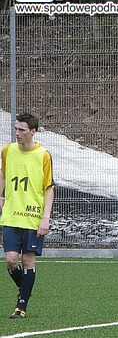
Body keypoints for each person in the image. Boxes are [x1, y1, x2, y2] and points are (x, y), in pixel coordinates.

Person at [1, 112, 55, 319]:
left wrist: (45, 218)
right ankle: (24, 289)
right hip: (11, 215)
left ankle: (21, 306)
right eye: (16, 129)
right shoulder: (7, 151)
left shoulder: (43, 155)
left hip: (33, 216)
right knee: (11, 261)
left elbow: (49, 188)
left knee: (27, 260)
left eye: (22, 130)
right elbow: (3, 174)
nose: (17, 133)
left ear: (33, 131)